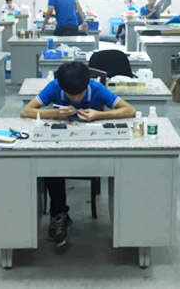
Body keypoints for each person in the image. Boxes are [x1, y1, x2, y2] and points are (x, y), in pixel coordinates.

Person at [21, 62, 136, 248]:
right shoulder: (55, 86)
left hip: (93, 146)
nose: (75, 99)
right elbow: (26, 111)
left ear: (87, 85)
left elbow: (129, 110)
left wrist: (99, 115)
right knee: (51, 163)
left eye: (79, 94)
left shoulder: (96, 88)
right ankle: (60, 215)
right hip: (60, 145)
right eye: (70, 95)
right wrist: (55, 113)